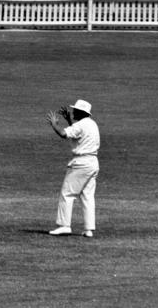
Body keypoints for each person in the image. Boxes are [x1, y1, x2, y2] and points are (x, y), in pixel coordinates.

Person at [46, 99, 100, 238]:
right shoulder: (92, 124)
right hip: (93, 163)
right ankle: (89, 229)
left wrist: (54, 124)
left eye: (75, 110)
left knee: (67, 193)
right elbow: (76, 134)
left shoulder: (81, 125)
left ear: (81, 112)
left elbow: (64, 134)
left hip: (81, 163)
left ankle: (64, 226)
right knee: (87, 196)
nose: (73, 111)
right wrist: (69, 120)